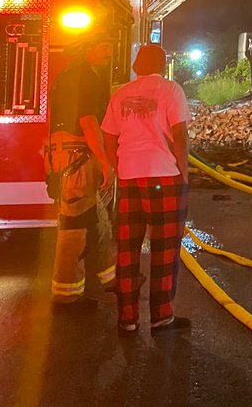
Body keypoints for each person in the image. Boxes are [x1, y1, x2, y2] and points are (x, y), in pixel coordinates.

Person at [101, 44, 191, 335]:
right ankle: (161, 317)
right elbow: (180, 133)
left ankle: (126, 319)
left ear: (137, 66)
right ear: (163, 66)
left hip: (130, 178)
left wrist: (118, 166)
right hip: (164, 176)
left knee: (127, 249)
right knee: (164, 250)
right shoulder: (171, 90)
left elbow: (108, 136)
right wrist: (184, 170)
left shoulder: (120, 93)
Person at [45, 30, 116, 310]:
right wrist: (104, 160)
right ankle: (65, 295)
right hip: (77, 156)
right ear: (88, 48)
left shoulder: (69, 75)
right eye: (104, 45)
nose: (109, 52)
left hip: (68, 154)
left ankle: (110, 278)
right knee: (74, 227)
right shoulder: (84, 77)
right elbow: (88, 121)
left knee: (95, 219)